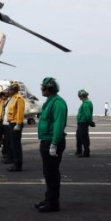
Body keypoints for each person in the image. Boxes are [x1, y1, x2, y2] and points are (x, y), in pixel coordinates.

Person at [35, 77, 68, 212]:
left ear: (49, 88)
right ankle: (49, 199)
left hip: (52, 142)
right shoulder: (49, 101)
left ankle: (53, 203)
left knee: (52, 174)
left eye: (43, 87)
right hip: (46, 141)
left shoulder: (58, 103)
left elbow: (58, 125)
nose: (41, 89)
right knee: (48, 173)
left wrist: (54, 143)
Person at [6, 82, 25, 172]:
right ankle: (15, 162)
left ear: (14, 90)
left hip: (16, 124)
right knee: (13, 144)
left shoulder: (19, 98)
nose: (9, 91)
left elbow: (20, 112)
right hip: (11, 123)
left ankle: (18, 165)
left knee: (16, 145)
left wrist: (19, 123)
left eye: (10, 89)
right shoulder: (12, 98)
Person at [75, 89, 93, 157]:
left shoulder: (86, 104)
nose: (79, 98)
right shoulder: (86, 103)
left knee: (84, 137)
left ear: (82, 96)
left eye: (80, 96)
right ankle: (79, 150)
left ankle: (86, 152)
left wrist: (90, 121)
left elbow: (88, 114)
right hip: (81, 122)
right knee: (79, 136)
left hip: (83, 122)